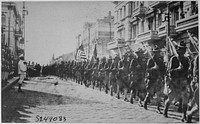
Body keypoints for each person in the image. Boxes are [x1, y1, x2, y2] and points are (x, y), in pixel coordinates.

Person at [164, 41, 190, 121]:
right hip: (174, 82)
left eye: (184, 49)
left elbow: (187, 70)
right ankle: (165, 110)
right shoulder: (173, 59)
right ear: (178, 50)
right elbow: (169, 72)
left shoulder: (186, 59)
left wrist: (187, 73)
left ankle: (184, 115)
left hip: (183, 81)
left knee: (185, 99)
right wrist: (177, 69)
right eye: (181, 49)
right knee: (171, 99)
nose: (183, 51)